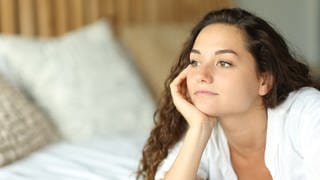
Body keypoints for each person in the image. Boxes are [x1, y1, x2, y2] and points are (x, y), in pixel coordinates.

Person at [136, 7, 320, 180]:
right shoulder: (203, 135)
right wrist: (199, 129)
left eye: (224, 63)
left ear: (264, 80)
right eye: (195, 62)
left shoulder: (307, 114)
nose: (202, 75)